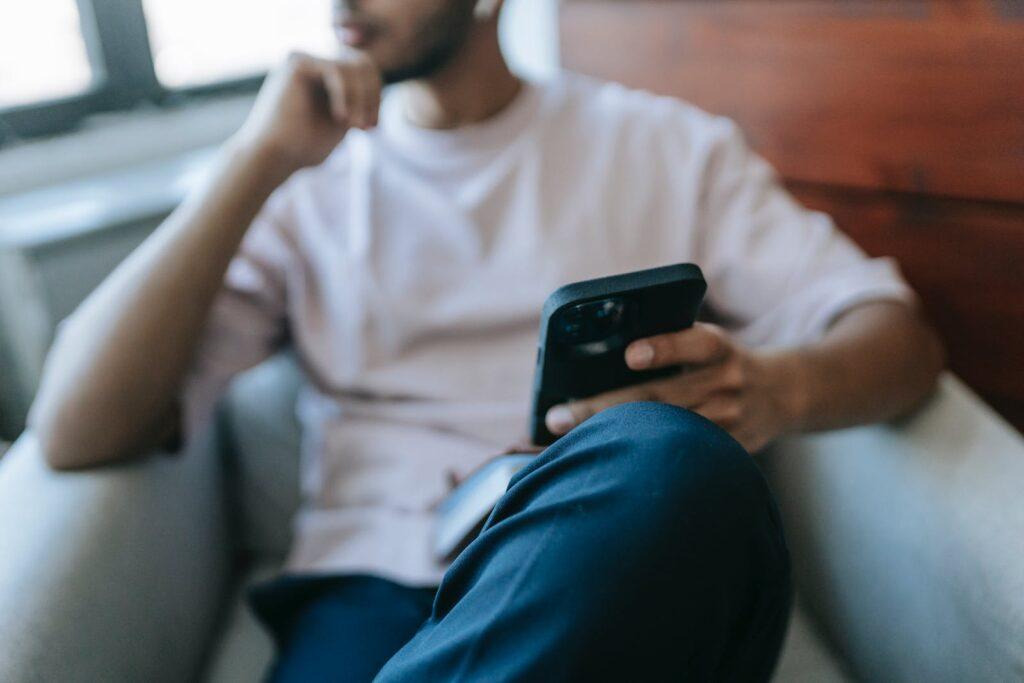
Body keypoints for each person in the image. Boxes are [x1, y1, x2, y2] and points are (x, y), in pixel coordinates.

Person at [28, 0, 945, 679]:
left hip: (592, 557)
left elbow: (897, 340)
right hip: (370, 587)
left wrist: (777, 388)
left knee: (677, 460)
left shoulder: (664, 145)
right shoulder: (306, 177)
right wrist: (252, 159)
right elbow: (74, 429)